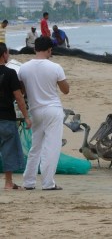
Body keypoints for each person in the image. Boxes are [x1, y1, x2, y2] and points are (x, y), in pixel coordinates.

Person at [18, 37, 70, 190]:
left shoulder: (24, 68)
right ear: (49, 50)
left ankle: (28, 181)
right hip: (52, 109)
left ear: (35, 49)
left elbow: (22, 90)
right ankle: (48, 182)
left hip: (35, 109)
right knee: (51, 147)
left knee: (36, 147)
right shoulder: (55, 67)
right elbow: (65, 90)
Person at [0, 42, 32, 190]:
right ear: (4, 55)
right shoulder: (10, 73)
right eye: (7, 53)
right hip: (6, 117)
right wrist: (26, 116)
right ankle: (8, 182)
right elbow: (19, 98)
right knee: (9, 150)